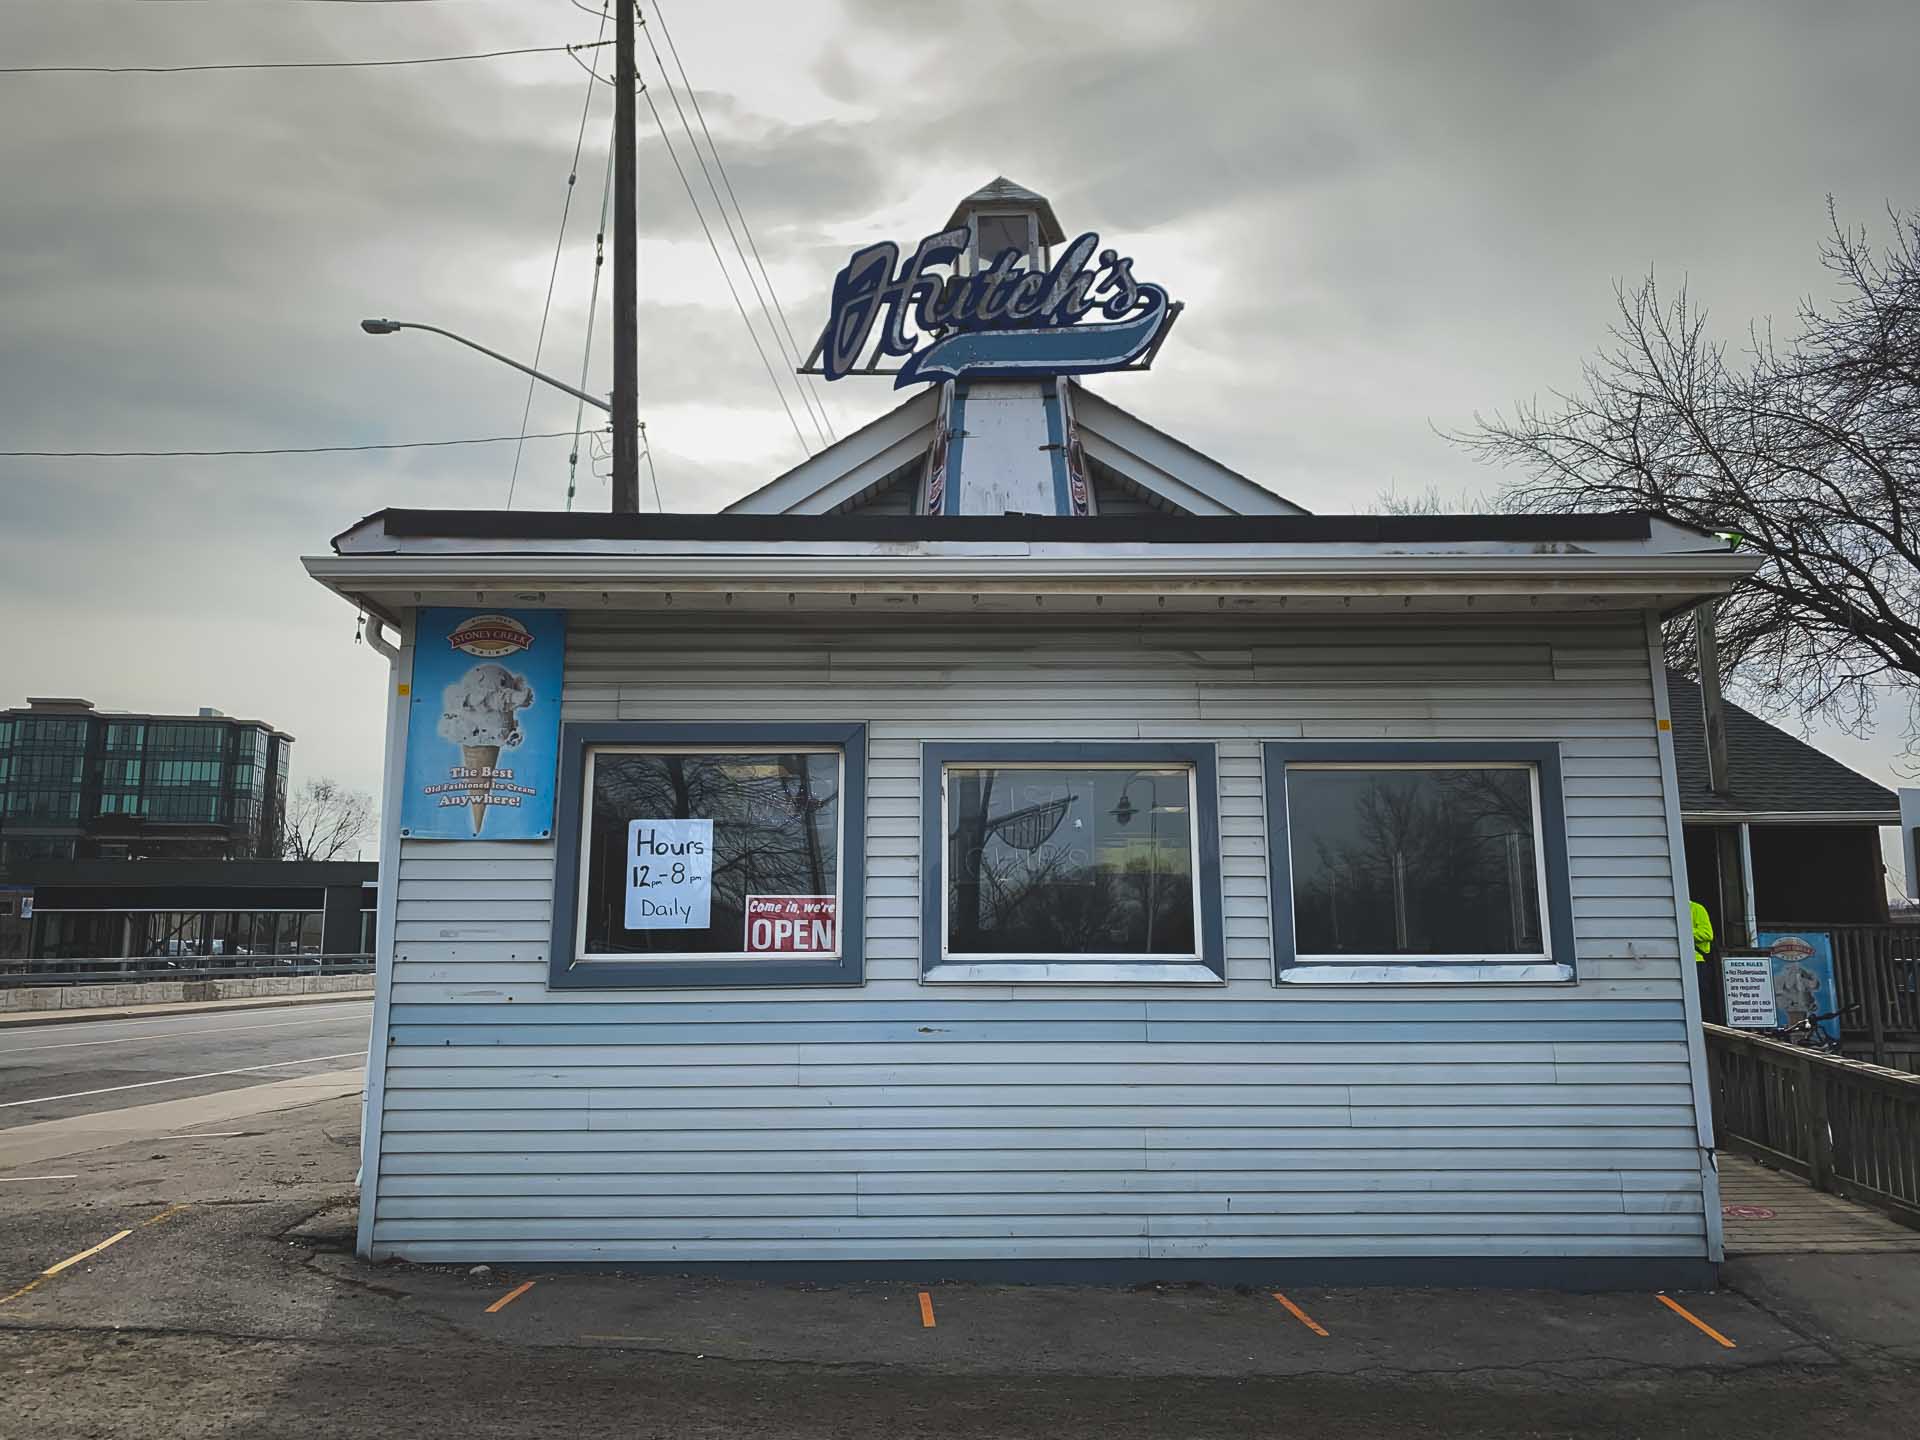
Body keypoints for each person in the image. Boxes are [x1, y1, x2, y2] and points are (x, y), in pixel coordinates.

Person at [1690, 900, 1722, 1024]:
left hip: (1696, 960)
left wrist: (1683, 930)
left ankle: (1710, 1028)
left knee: (1703, 998)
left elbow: (1707, 934)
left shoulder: (1696, 908)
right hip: (1677, 962)